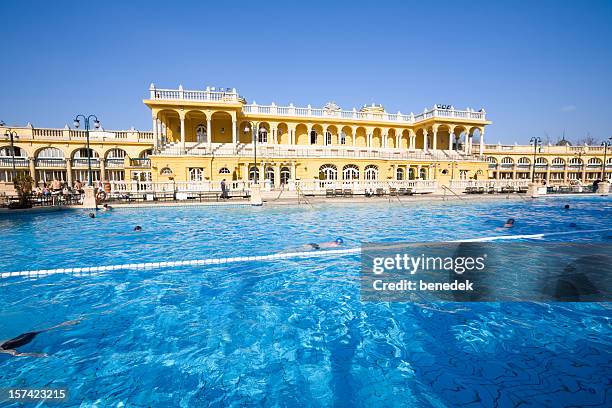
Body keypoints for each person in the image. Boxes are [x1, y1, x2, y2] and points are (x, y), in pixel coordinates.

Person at [0, 320, 79, 357]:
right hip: (23, 335)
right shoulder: (1, 346)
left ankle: (67, 324)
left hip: (27, 338)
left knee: (48, 330)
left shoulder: (3, 350)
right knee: (47, 329)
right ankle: (67, 323)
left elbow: (17, 353)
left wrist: (38, 355)